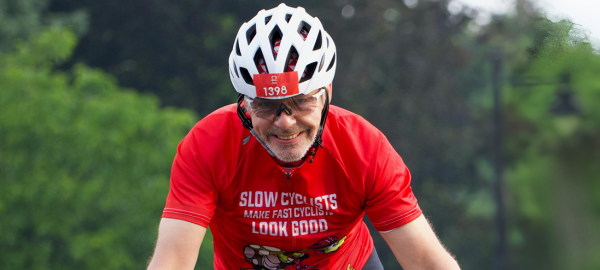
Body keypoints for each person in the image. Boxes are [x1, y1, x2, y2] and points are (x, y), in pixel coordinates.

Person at [147, 3, 460, 270]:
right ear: (245, 102)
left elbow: (426, 262)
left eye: (300, 101)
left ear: (327, 94)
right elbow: (172, 260)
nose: (285, 122)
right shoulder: (208, 145)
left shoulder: (364, 149)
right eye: (266, 105)